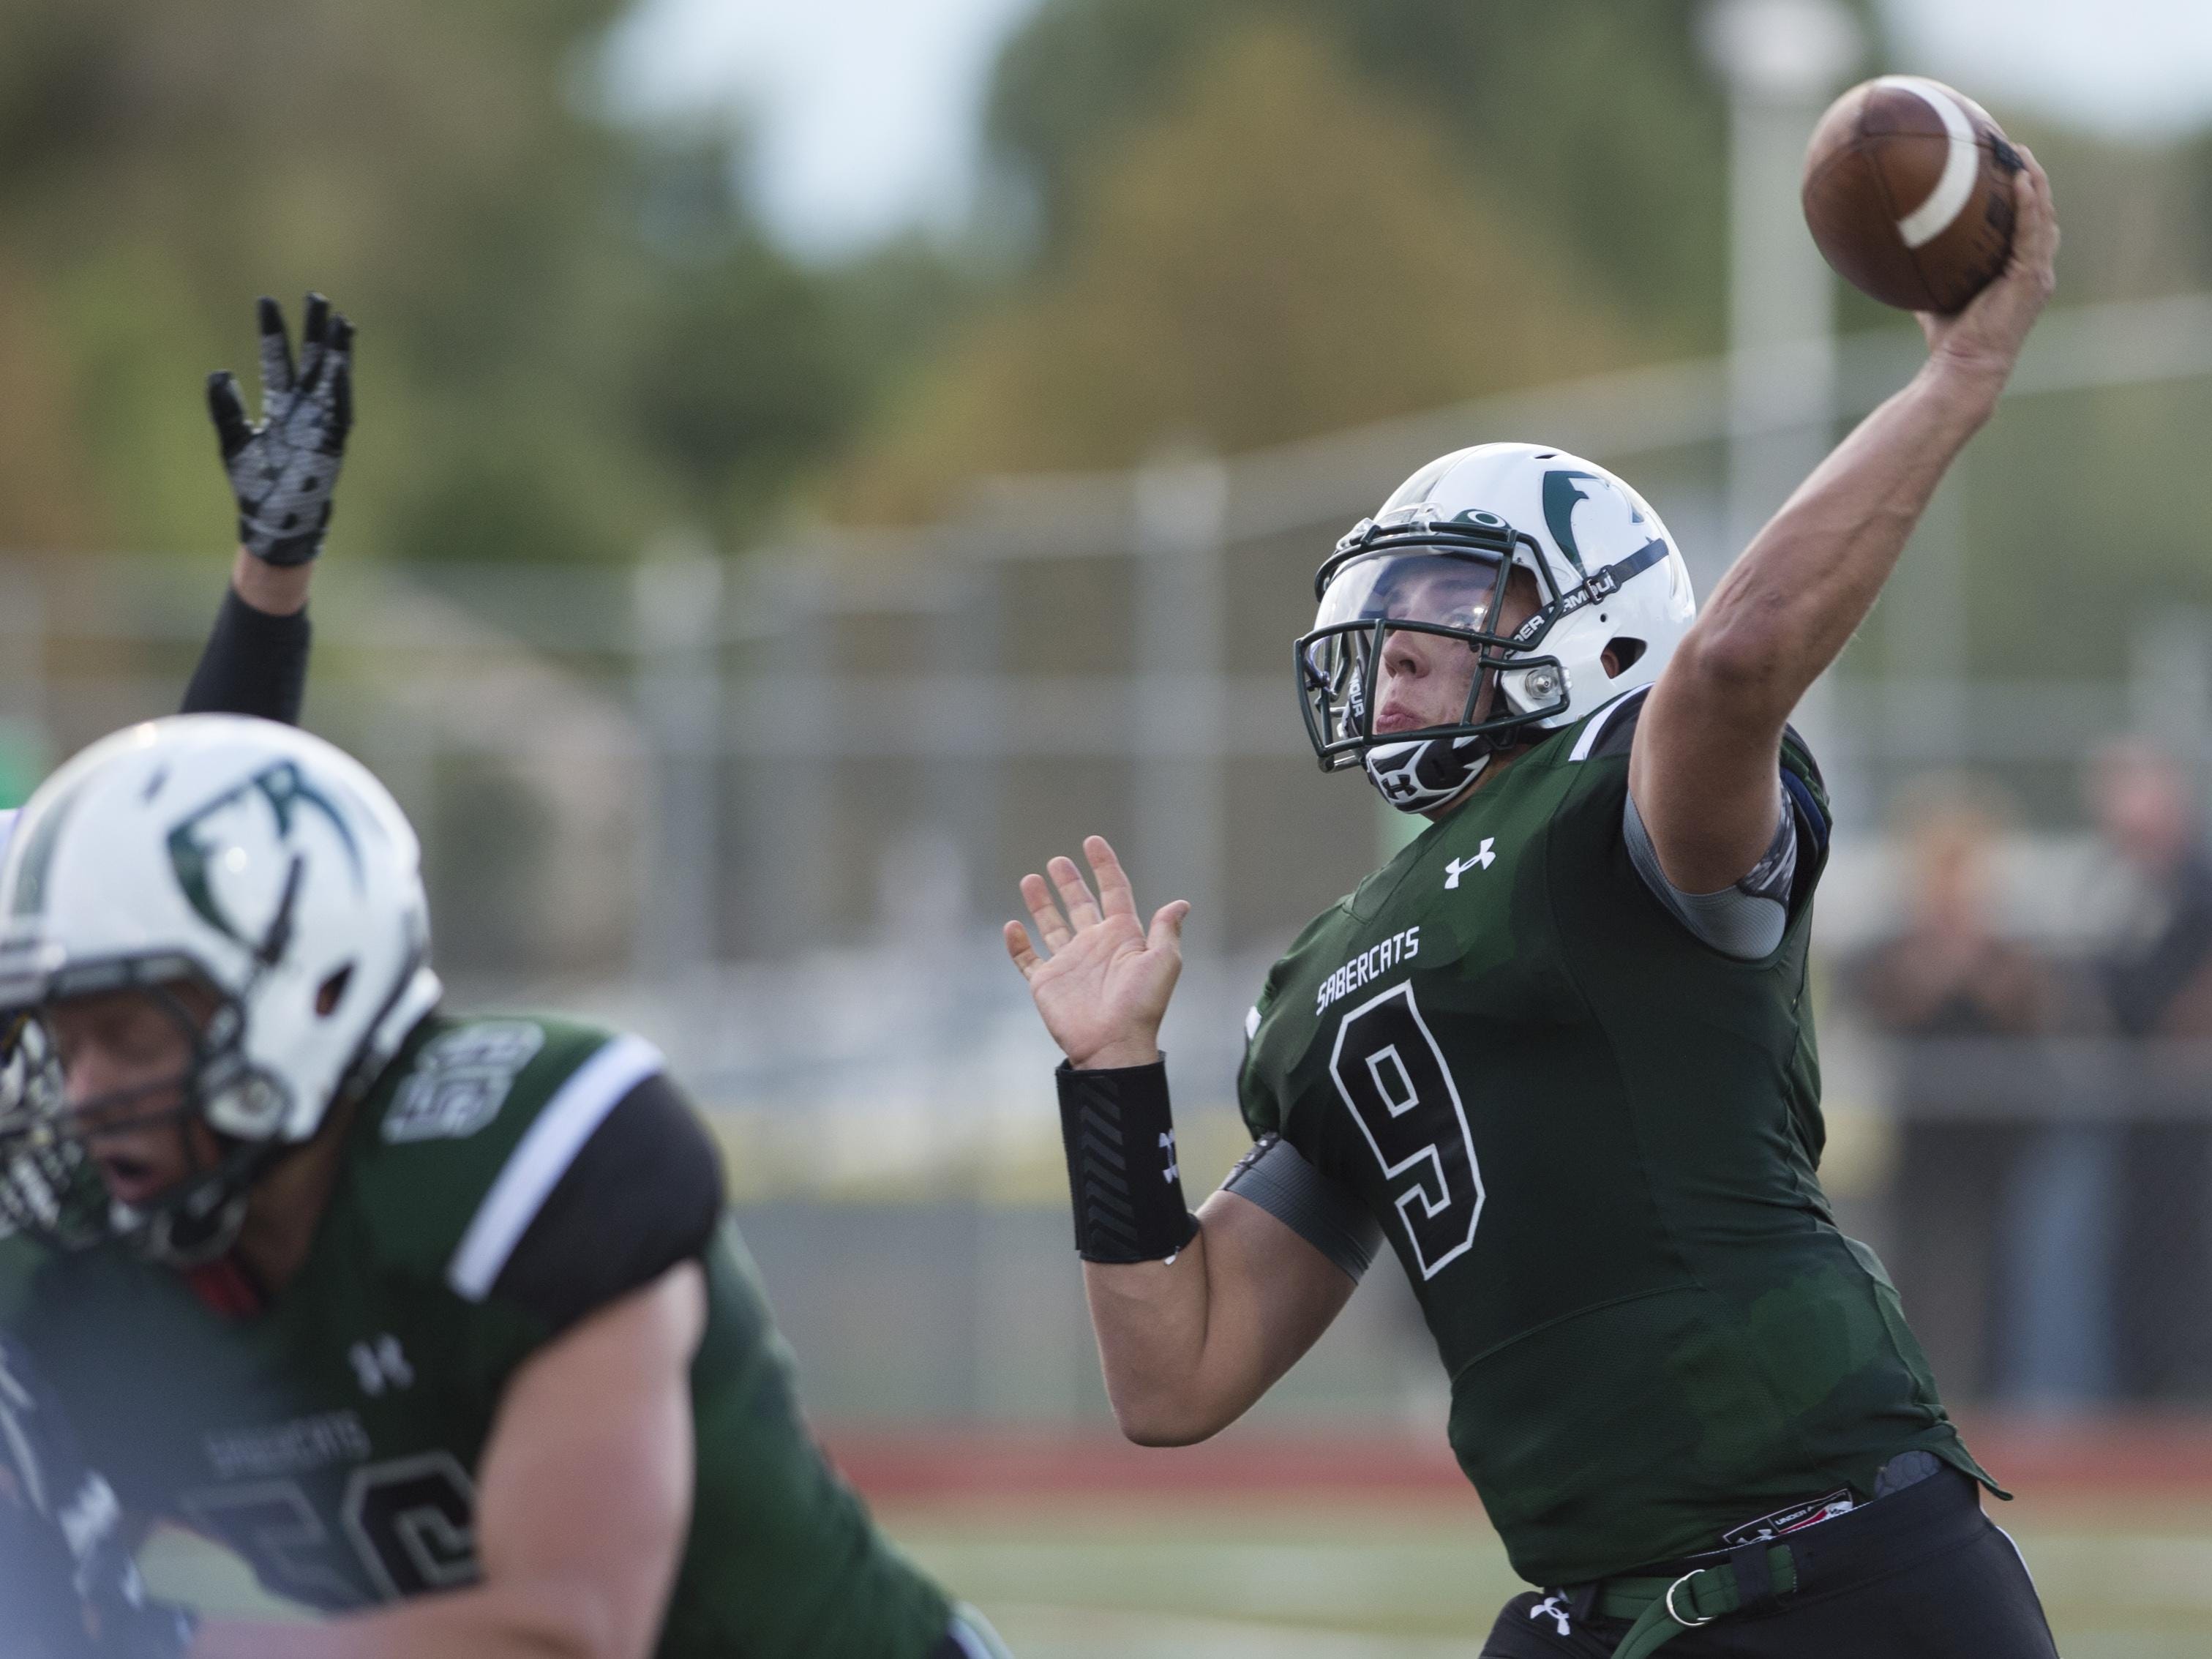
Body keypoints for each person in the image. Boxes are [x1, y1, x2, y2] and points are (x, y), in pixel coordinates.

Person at [1007, 158, 2065, 1656]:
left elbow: (1732, 659)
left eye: (1446, 595)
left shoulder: (1623, 800)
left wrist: (1957, 374)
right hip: (1589, 1612)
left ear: (1596, 614)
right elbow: (1169, 1378)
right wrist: (1106, 1082)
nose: (1391, 643)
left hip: (1833, 1576)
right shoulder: (1323, 965)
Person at [0, 323, 1008, 1659]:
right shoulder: (75, 1283)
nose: (78, 1089)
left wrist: (157, 1650)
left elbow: (565, 1637)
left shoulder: (510, 1157)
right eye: (55, 1041)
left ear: (300, 1003)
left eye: (112, 1036)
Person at [1848, 782, 2051, 1400]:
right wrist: (1941, 958)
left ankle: (1998, 1392)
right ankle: (1922, 1391)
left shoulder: (2007, 947)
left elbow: (2028, 1005)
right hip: (1915, 1141)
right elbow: (1891, 1000)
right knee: (1912, 1266)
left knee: (2002, 1272)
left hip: (1993, 1144)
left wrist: (1971, 957)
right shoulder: (1893, 945)